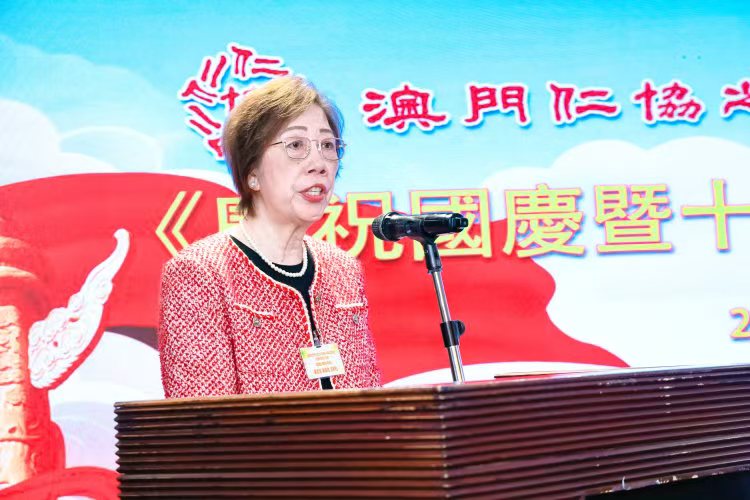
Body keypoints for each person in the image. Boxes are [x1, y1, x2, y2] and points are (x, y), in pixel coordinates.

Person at [158, 76, 381, 398]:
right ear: (252, 173)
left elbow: (371, 398)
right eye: (296, 145)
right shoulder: (200, 273)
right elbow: (202, 419)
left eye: (327, 146)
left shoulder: (342, 269)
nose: (319, 164)